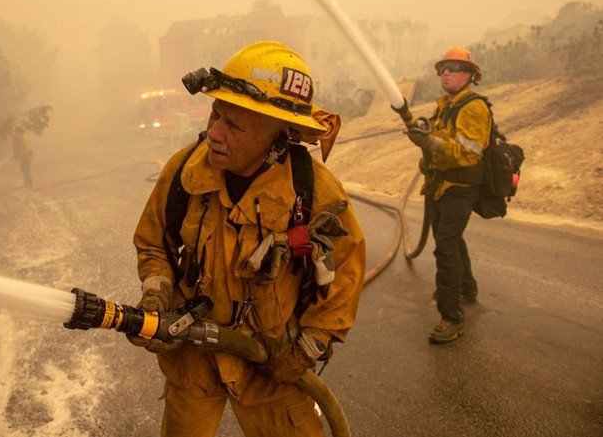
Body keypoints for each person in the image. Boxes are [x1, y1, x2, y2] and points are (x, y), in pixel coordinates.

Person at [131, 41, 366, 436]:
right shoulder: (183, 173)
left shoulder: (313, 190)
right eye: (215, 114)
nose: (214, 133)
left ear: (277, 138)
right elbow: (154, 243)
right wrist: (156, 293)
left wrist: (305, 351)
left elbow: (345, 274)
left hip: (272, 365)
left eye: (235, 125)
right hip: (193, 359)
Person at [406, 46, 492, 344]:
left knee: (445, 246)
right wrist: (424, 134)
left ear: (469, 75)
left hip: (460, 187)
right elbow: (440, 138)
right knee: (452, 239)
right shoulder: (447, 105)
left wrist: (429, 143)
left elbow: (468, 153)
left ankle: (451, 316)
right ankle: (466, 288)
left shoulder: (474, 107)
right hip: (440, 185)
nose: (446, 73)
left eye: (453, 68)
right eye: (443, 68)